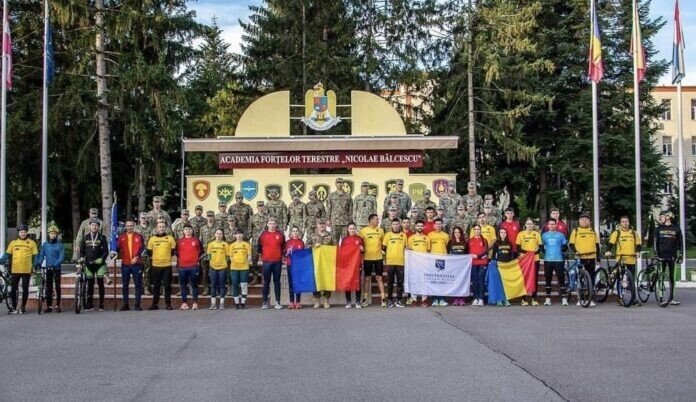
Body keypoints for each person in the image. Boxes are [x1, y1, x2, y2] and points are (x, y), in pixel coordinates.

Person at [0, 224, 38, 314]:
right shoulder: (13, 243)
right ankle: (13, 307)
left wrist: (35, 265)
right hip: (15, 270)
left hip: (26, 270)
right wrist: (1, 261)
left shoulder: (32, 243)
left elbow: (35, 256)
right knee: (13, 289)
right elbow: (7, 254)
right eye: (21, 232)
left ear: (26, 233)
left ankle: (23, 307)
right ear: (19, 233)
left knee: (25, 289)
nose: (23, 233)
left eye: (24, 232)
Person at [605, 215, 641, 305]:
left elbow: (638, 244)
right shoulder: (617, 233)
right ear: (620, 224)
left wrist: (638, 252)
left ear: (629, 222)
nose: (625, 223)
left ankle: (633, 299)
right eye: (623, 222)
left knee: (631, 280)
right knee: (619, 279)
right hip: (620, 258)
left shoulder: (634, 233)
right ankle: (620, 298)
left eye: (626, 221)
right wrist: (608, 251)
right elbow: (610, 244)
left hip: (631, 259)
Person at [568, 212, 599, 307]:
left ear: (589, 221)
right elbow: (571, 244)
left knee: (591, 278)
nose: (584, 221)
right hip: (581, 257)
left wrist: (598, 258)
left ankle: (590, 298)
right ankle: (581, 298)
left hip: (591, 257)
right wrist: (575, 252)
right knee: (580, 278)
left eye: (586, 220)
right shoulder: (576, 231)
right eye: (582, 220)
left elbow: (597, 245)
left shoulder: (593, 231)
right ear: (579, 221)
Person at [114, 219, 145, 311]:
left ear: (134, 226)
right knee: (125, 285)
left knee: (138, 285)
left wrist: (137, 257)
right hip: (125, 264)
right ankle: (126, 304)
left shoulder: (139, 236)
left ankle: (137, 304)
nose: (129, 227)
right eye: (127, 226)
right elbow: (117, 248)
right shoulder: (121, 237)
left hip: (137, 264)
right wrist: (113, 252)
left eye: (131, 226)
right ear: (125, 226)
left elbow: (142, 248)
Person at [654, 211, 683, 305]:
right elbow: (655, 241)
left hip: (672, 256)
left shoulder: (676, 228)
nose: (660, 218)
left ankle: (671, 298)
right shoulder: (658, 229)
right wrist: (655, 253)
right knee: (661, 276)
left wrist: (681, 254)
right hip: (661, 255)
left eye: (662, 216)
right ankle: (661, 298)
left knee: (672, 277)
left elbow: (680, 242)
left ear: (668, 217)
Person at [146, 221, 177, 310]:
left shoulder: (170, 238)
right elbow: (149, 252)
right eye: (160, 227)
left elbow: (172, 251)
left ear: (165, 228)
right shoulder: (152, 239)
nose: (161, 228)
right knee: (156, 286)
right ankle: (154, 304)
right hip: (156, 266)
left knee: (167, 286)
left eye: (163, 227)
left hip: (167, 266)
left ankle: (168, 304)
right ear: (157, 228)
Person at [79, 218, 109, 311]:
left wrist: (102, 259)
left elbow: (106, 251)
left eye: (96, 225)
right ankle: (90, 304)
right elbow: (82, 251)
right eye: (92, 225)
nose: (94, 227)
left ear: (98, 227)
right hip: (89, 263)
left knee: (100, 283)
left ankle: (101, 304)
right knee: (90, 284)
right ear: (89, 226)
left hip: (99, 264)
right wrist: (81, 258)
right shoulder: (85, 237)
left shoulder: (102, 237)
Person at [35, 225, 65, 313]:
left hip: (57, 268)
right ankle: (49, 306)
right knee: (48, 287)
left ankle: (58, 305)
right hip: (48, 268)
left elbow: (61, 257)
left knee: (57, 286)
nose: (53, 235)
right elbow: (41, 255)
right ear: (49, 234)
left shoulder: (60, 245)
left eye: (54, 233)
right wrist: (39, 263)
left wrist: (55, 264)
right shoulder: (45, 245)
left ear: (57, 235)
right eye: (51, 233)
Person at [257, 217, 285, 310]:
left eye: (273, 223)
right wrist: (263, 256)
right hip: (267, 262)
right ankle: (265, 302)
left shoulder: (280, 235)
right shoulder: (263, 235)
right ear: (267, 224)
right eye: (270, 223)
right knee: (266, 282)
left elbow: (283, 247)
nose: (272, 225)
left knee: (277, 282)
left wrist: (281, 256)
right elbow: (259, 247)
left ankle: (277, 302)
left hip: (277, 262)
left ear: (276, 225)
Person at [359, 214, 385, 307]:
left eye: (378, 219)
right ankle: (365, 298)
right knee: (367, 279)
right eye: (376, 219)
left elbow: (383, 244)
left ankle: (383, 298)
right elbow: (359, 244)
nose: (378, 221)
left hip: (378, 258)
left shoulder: (381, 230)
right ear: (371, 220)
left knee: (379, 278)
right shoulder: (363, 231)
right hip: (367, 258)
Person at [307, 219, 334, 309]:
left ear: (326, 225)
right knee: (316, 280)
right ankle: (317, 300)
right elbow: (306, 247)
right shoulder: (312, 235)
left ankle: (326, 300)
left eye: (323, 224)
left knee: (327, 280)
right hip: (316, 262)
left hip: (327, 262)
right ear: (317, 225)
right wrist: (314, 246)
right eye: (320, 224)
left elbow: (335, 247)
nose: (322, 225)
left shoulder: (330, 235)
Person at [177, 223, 204, 310]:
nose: (188, 231)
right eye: (186, 229)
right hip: (182, 267)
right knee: (183, 286)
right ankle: (184, 303)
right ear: (183, 231)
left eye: (189, 229)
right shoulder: (179, 241)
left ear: (192, 231)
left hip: (194, 267)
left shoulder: (196, 240)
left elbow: (201, 252)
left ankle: (195, 303)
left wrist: (196, 260)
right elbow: (176, 253)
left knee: (194, 285)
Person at [541, 218, 568, 306]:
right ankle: (547, 298)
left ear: (556, 225)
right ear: (548, 225)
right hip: (548, 259)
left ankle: (564, 298)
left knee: (561, 278)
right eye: (550, 224)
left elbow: (565, 246)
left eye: (553, 224)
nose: (552, 226)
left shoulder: (561, 235)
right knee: (548, 278)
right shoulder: (544, 235)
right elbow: (541, 247)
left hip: (559, 259)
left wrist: (562, 249)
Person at [382, 218, 407, 308]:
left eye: (397, 224)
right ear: (391, 225)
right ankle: (389, 300)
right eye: (394, 224)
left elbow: (406, 248)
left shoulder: (403, 235)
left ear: (400, 225)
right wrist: (385, 259)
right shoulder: (387, 235)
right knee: (390, 282)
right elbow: (383, 249)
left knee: (400, 282)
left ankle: (399, 300)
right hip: (390, 262)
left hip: (401, 262)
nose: (395, 226)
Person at [516, 218, 542, 306]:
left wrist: (533, 253)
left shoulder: (537, 234)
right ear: (525, 225)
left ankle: (534, 299)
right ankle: (523, 299)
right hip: (524, 260)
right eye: (528, 224)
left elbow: (540, 247)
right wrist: (528, 253)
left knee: (535, 278)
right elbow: (518, 247)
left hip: (535, 259)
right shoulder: (520, 234)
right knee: (524, 279)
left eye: (531, 224)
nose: (529, 225)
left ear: (533, 225)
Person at [407, 220, 430, 307]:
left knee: (424, 281)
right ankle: (414, 299)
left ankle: (424, 300)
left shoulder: (427, 238)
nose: (420, 227)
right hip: (414, 263)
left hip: (424, 263)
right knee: (414, 281)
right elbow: (409, 251)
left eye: (421, 226)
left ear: (423, 227)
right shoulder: (411, 238)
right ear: (415, 227)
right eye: (418, 226)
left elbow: (428, 251)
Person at [428, 218, 450, 306]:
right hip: (433, 260)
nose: (438, 225)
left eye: (440, 224)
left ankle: (442, 299)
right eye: (436, 224)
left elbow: (447, 246)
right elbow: (428, 248)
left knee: (442, 280)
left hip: (443, 260)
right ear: (434, 225)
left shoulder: (446, 235)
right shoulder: (430, 235)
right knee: (434, 280)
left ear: (442, 225)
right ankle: (434, 299)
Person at [490, 227, 515, 306]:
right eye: (501, 232)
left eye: (504, 232)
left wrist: (511, 263)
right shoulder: (496, 243)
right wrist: (494, 263)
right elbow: (493, 255)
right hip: (499, 265)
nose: (503, 234)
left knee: (506, 284)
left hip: (507, 266)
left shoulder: (509, 243)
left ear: (506, 234)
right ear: (499, 234)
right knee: (499, 283)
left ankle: (506, 299)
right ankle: (499, 300)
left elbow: (511, 255)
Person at [341, 223, 364, 308]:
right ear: (348, 230)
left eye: (353, 228)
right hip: (347, 265)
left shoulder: (359, 239)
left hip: (357, 264)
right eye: (350, 228)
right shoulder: (344, 240)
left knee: (357, 282)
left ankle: (358, 301)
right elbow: (342, 252)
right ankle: (348, 302)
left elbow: (363, 252)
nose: (352, 230)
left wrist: (362, 250)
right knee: (348, 282)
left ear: (356, 229)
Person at [228, 229, 252, 309]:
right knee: (235, 284)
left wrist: (246, 262)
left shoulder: (246, 244)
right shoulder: (232, 245)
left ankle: (243, 303)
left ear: (243, 235)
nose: (239, 236)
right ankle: (236, 303)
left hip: (244, 267)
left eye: (240, 234)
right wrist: (235, 262)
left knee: (244, 285)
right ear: (235, 235)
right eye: (237, 234)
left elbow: (249, 255)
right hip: (234, 268)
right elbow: (231, 257)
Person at [206, 228, 229, 310]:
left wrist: (222, 262)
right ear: (215, 234)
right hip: (213, 267)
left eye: (220, 234)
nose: (219, 235)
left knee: (222, 285)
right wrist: (213, 262)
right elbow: (209, 256)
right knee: (213, 285)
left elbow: (227, 257)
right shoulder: (211, 244)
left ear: (222, 235)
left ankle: (222, 303)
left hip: (222, 267)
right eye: (217, 233)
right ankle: (213, 304)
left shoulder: (225, 244)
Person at [327, 177, 353, 244]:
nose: (339, 184)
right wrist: (328, 219)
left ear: (343, 184)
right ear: (335, 184)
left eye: (341, 182)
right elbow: (329, 208)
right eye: (338, 182)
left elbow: (350, 209)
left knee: (345, 242)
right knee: (334, 242)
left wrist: (351, 221)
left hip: (345, 222)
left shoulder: (348, 195)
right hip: (334, 222)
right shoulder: (331, 195)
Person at [249, 201, 270, 285]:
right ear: (257, 207)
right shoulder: (252, 218)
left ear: (264, 207)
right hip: (255, 242)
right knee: (254, 260)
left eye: (262, 206)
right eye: (259, 206)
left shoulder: (268, 217)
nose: (261, 208)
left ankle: (265, 278)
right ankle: (255, 278)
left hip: (266, 242)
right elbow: (250, 230)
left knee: (266, 260)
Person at [284, 226, 305, 309]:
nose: (295, 232)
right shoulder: (288, 242)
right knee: (291, 283)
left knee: (298, 283)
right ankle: (291, 302)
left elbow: (303, 255)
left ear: (298, 233)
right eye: (293, 231)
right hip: (290, 264)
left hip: (298, 266)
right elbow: (285, 254)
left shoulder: (301, 242)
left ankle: (298, 302)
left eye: (296, 231)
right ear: (291, 233)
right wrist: (288, 252)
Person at [468, 224, 489, 307]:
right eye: (475, 229)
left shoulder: (484, 240)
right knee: (475, 281)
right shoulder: (470, 240)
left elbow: (485, 252)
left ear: (480, 230)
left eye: (478, 229)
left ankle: (481, 299)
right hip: (473, 263)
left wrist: (477, 256)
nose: (477, 231)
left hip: (482, 263)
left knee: (481, 281)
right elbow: (468, 252)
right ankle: (475, 298)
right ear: (473, 231)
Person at [199, 210, 218, 295]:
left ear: (214, 217)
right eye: (208, 216)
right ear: (206, 217)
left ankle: (215, 288)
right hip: (205, 253)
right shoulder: (202, 228)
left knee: (215, 271)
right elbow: (200, 241)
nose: (210, 218)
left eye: (211, 216)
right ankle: (206, 288)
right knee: (205, 272)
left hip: (215, 253)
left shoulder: (217, 228)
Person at [448, 226, 468, 306]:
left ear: (461, 233)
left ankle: (461, 298)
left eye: (458, 232)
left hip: (463, 266)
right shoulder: (450, 242)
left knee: (462, 282)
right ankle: (455, 299)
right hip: (454, 266)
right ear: (453, 233)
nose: (457, 234)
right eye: (455, 232)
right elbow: (447, 253)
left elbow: (467, 254)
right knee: (455, 282)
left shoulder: (465, 243)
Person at [134, 212, 152, 295]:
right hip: (138, 254)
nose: (143, 219)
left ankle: (146, 288)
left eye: (145, 218)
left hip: (148, 254)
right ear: (139, 219)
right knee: (138, 272)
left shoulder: (151, 229)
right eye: (142, 218)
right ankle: (139, 288)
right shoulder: (136, 229)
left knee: (147, 272)